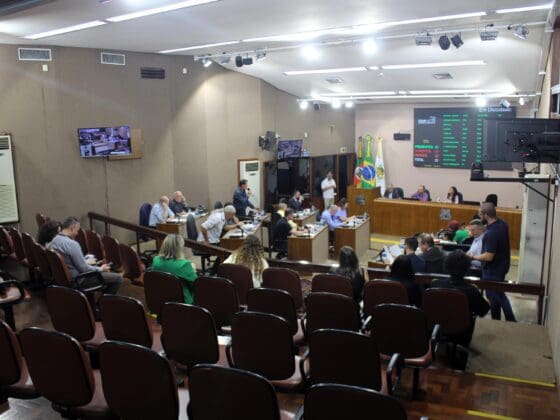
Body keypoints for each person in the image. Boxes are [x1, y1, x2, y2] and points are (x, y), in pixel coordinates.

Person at [430, 250, 490, 346]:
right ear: (467, 268)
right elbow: (483, 310)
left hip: (437, 328)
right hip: (462, 332)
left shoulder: (435, 285)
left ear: (446, 266)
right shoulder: (471, 290)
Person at [50, 217, 122, 295]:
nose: (77, 233)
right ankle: (105, 301)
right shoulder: (72, 244)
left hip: (64, 278)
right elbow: (84, 269)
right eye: (77, 230)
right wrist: (101, 268)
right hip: (80, 279)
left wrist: (84, 260)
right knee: (118, 278)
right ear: (72, 228)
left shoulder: (54, 240)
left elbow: (69, 260)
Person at [469, 203, 515, 321]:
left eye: (480, 215)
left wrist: (473, 257)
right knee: (494, 296)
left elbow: (489, 256)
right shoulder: (502, 223)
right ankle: (496, 319)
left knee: (498, 295)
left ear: (486, 215)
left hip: (493, 269)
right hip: (503, 265)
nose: (480, 218)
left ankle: (511, 319)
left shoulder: (491, 233)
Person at [150, 234, 197, 304]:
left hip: (161, 298)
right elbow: (196, 284)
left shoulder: (156, 260)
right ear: (179, 248)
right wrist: (193, 270)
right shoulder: (184, 264)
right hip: (182, 302)